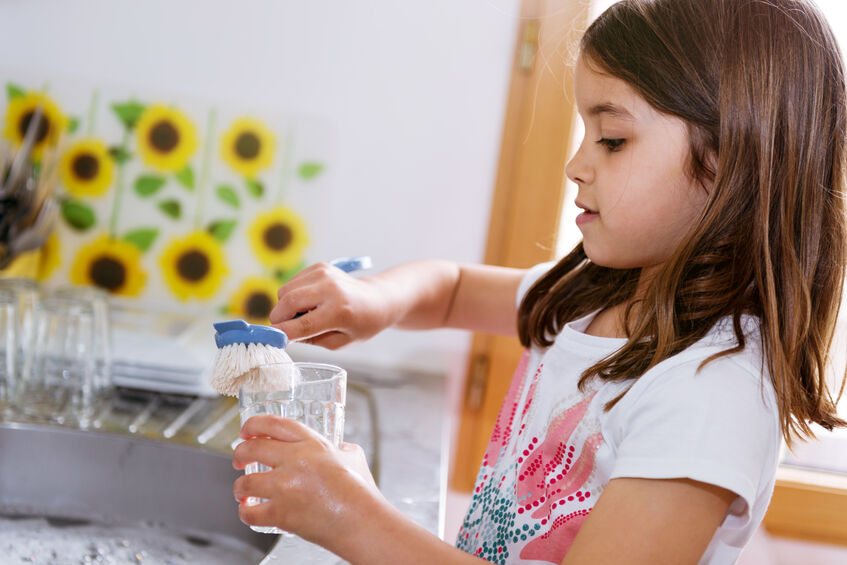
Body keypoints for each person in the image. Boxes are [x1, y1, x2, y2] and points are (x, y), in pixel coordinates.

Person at [231, 0, 847, 563]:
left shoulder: (713, 394)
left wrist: (352, 517)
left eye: (613, 139)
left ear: (734, 160)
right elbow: (452, 290)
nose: (576, 165)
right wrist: (376, 300)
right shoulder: (594, 297)